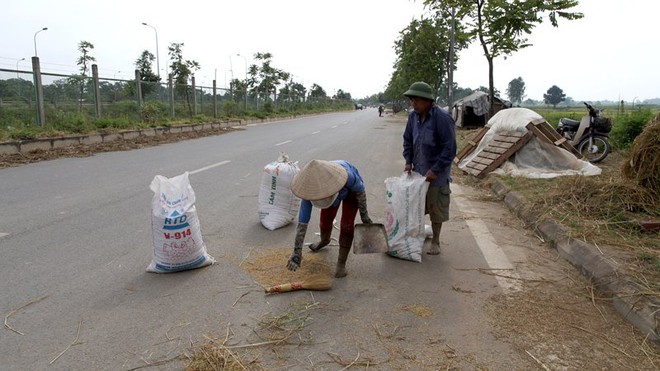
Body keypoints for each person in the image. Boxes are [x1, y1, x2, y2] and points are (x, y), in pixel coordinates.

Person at [286, 160, 372, 278]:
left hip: (351, 193)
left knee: (347, 225)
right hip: (331, 195)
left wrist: (364, 216)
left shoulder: (348, 177)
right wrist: (297, 253)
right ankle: (325, 240)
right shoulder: (309, 193)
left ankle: (341, 263)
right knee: (325, 221)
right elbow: (302, 224)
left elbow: (360, 192)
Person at [402, 82, 457, 255]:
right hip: (418, 172)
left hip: (437, 175)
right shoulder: (413, 117)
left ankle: (436, 241)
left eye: (416, 100)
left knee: (436, 208)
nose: (413, 103)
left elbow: (450, 149)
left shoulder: (442, 118)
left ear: (427, 101)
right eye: (412, 100)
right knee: (416, 207)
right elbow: (407, 140)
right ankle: (415, 236)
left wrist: (436, 170)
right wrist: (408, 161)